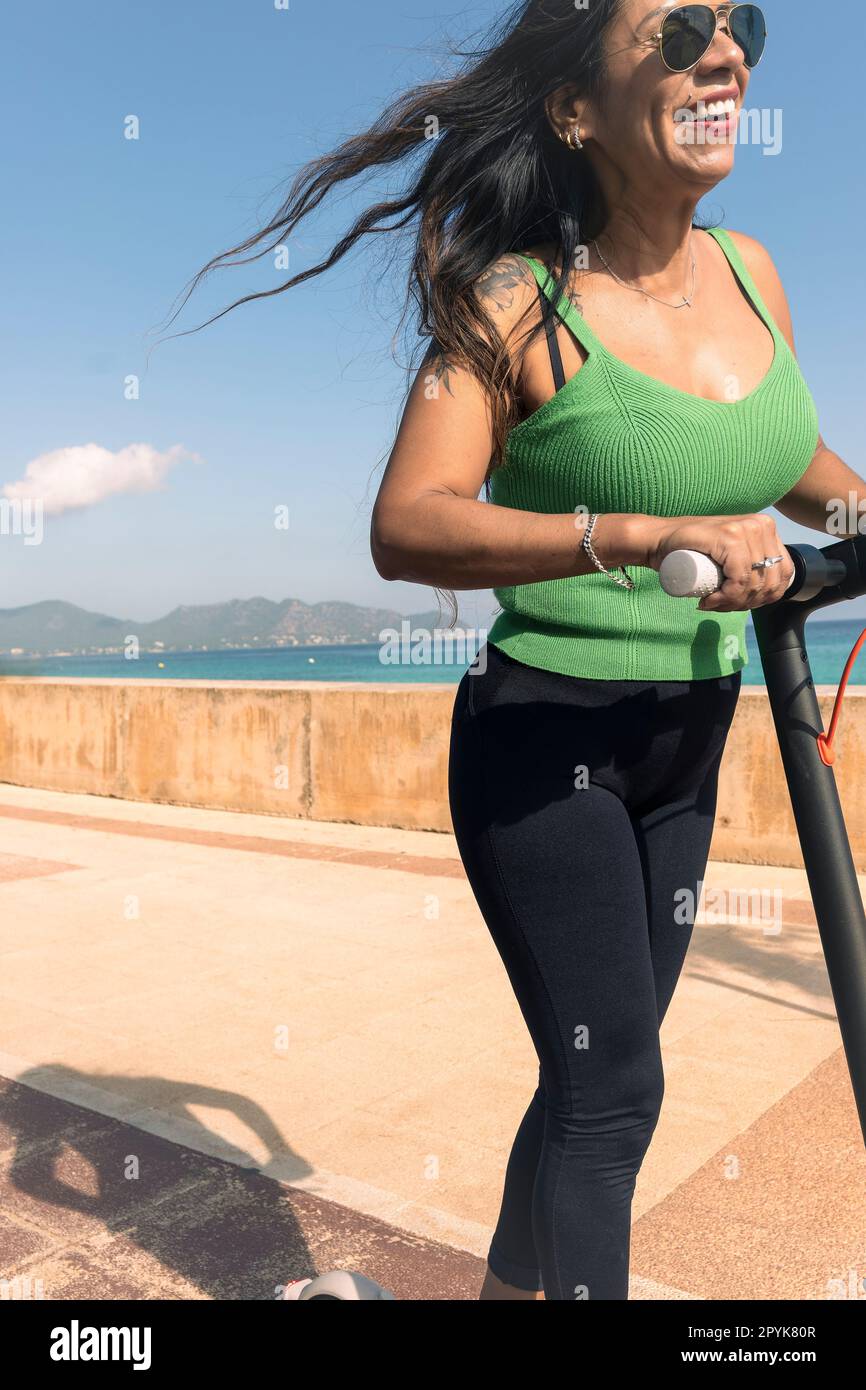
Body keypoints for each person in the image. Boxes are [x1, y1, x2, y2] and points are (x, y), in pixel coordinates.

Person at [179, 1, 863, 1300]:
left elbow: (799, 470)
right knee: (615, 1090)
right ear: (572, 110)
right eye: (675, 33)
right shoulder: (512, 303)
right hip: (546, 742)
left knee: (585, 1070)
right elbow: (409, 522)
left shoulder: (752, 273)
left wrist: (854, 523)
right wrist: (637, 530)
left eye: (738, 27)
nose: (721, 54)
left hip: (687, 738)